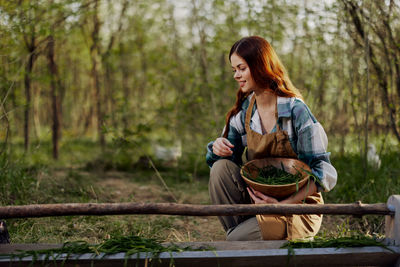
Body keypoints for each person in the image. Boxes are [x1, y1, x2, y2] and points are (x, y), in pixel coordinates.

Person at [206, 36, 337, 241]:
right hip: (257, 202)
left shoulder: (296, 112)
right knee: (219, 168)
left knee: (236, 239)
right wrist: (218, 147)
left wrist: (281, 205)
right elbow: (225, 164)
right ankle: (249, 234)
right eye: (234, 70)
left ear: (260, 66)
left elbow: (323, 171)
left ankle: (249, 238)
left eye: (241, 68)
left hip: (297, 207)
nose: (236, 75)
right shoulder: (245, 112)